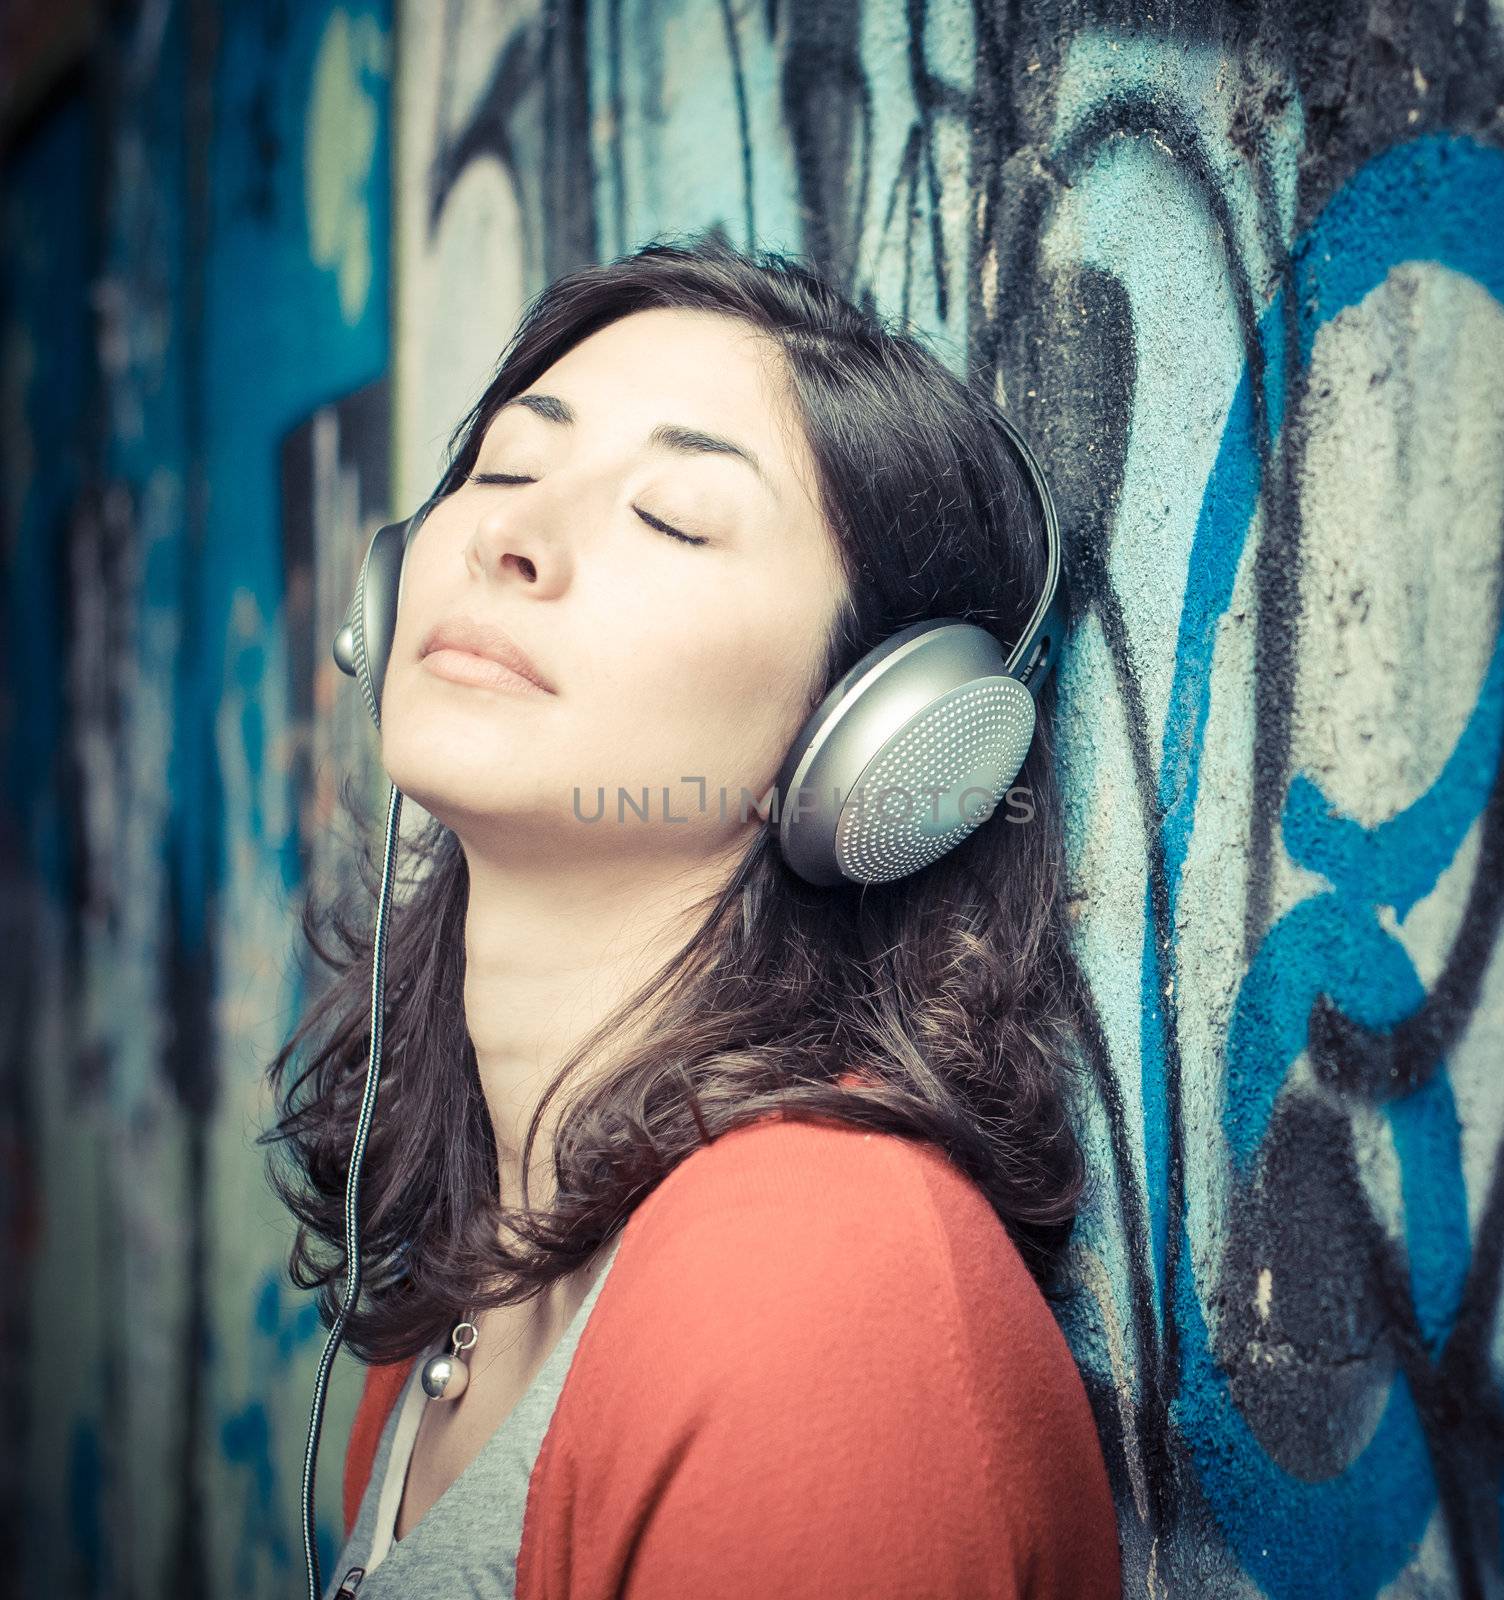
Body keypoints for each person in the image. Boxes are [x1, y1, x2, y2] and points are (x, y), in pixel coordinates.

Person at [263, 231, 1121, 1599]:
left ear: (875, 741)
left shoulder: (825, 1295)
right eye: (503, 467)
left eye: (671, 516)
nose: (506, 537)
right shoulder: (452, 1297)